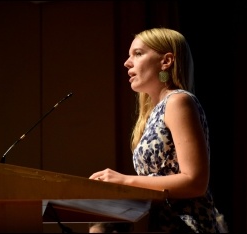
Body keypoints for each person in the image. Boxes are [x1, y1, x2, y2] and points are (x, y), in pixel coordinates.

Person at [89, 27, 228, 233]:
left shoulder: (178, 101)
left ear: (166, 61)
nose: (127, 62)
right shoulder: (153, 113)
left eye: (137, 54)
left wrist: (125, 181)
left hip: (187, 226)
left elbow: (195, 181)